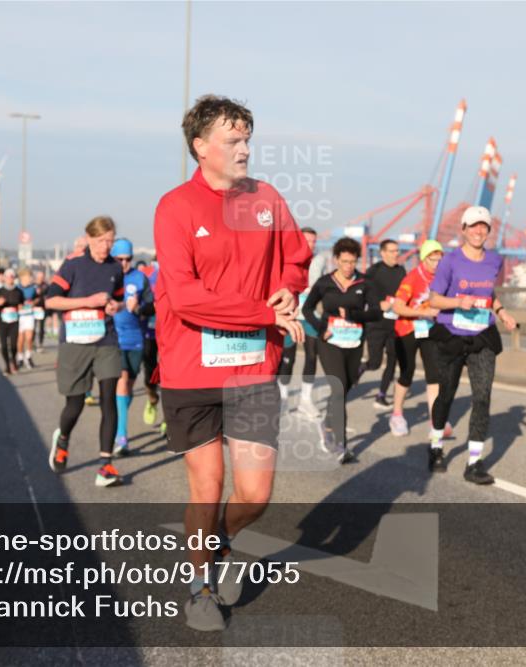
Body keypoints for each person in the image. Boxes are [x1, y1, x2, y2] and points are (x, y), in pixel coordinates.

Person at [154, 95, 309, 631]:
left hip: (252, 370)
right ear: (201, 148)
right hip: (191, 370)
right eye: (232, 140)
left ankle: (215, 543)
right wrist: (264, 314)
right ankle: (199, 586)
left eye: (247, 139)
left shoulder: (267, 198)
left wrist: (288, 289)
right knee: (207, 486)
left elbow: (296, 257)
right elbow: (185, 296)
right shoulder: (175, 207)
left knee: (256, 494)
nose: (244, 149)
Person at [427, 206, 518, 485]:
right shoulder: (450, 261)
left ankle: (474, 463)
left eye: (484, 227)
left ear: (488, 231)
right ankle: (435, 446)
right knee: (446, 394)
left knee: (482, 396)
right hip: (452, 335)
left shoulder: (494, 261)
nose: (479, 231)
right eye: (474, 226)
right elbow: (433, 300)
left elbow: (490, 294)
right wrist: (457, 302)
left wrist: (502, 313)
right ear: (464, 230)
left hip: (482, 336)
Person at [45, 216, 125, 487]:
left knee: (108, 399)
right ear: (89, 238)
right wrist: (88, 302)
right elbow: (51, 300)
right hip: (76, 343)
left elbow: (120, 300)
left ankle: (106, 465)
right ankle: (64, 438)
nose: (106, 246)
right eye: (102, 240)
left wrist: (115, 306)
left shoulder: (115, 267)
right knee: (75, 404)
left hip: (106, 341)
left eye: (110, 241)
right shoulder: (73, 265)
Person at [302, 236, 382, 464]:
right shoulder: (325, 283)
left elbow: (376, 312)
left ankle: (327, 424)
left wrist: (354, 315)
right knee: (338, 389)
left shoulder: (364, 284)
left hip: (354, 344)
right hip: (330, 342)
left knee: (345, 387)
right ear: (336, 259)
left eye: (352, 262)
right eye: (344, 261)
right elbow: (308, 309)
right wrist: (321, 329)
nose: (348, 267)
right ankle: (341, 445)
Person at [388, 240, 452, 438]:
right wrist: (420, 313)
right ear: (424, 259)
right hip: (407, 329)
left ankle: (436, 420)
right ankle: (397, 414)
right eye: (433, 259)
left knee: (434, 374)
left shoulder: (443, 278)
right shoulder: (412, 278)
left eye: (440, 259)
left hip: (429, 331)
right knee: (407, 373)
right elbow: (397, 306)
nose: (437, 263)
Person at [110, 238, 152, 456]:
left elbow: (151, 307)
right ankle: (121, 436)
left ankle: (117, 420)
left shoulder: (139, 278)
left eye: (128, 259)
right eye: (120, 259)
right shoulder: (106, 277)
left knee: (130, 385)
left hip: (136, 338)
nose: (124, 263)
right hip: (113, 338)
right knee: (122, 381)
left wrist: (139, 308)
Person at [276, 226, 323, 419]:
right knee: (289, 358)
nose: (310, 244)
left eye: (313, 241)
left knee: (312, 356)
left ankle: (305, 400)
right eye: (307, 240)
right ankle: (283, 398)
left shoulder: (320, 260)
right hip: (291, 314)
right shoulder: (287, 258)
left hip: (310, 315)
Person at [363, 239, 407, 411]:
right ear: (383, 253)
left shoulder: (402, 271)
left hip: (395, 323)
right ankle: (356, 372)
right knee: (374, 362)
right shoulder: (373, 271)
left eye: (397, 251)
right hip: (376, 324)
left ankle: (381, 395)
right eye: (392, 251)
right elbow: (362, 293)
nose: (396, 254)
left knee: (393, 361)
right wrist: (377, 304)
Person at [137, 257, 163, 429]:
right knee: (150, 373)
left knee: (171, 375)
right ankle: (152, 398)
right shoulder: (146, 274)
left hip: (172, 334)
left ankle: (169, 418)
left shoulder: (181, 271)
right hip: (149, 332)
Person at [0, 269, 25, 376]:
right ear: (4, 278)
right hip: (3, 321)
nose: (10, 279)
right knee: (4, 345)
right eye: (8, 277)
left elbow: (22, 304)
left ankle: (13, 360)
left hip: (14, 320)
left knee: (14, 344)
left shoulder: (18, 291)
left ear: (14, 278)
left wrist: (21, 307)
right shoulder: (0, 291)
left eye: (12, 277)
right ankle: (7, 366)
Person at [16, 269, 38, 369]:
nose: (30, 279)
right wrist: (19, 304)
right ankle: (20, 357)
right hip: (19, 316)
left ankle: (28, 357)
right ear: (22, 278)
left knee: (29, 338)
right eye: (28, 277)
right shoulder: (17, 288)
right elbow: (13, 300)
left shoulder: (33, 288)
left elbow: (37, 298)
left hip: (29, 314)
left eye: (30, 277)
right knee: (20, 339)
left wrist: (34, 302)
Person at [33, 270, 49, 351]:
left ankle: (40, 343)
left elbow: (48, 295)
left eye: (42, 277)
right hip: (33, 309)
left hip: (42, 309)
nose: (41, 279)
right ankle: (32, 342)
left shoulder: (46, 286)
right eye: (39, 277)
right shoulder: (33, 285)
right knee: (33, 327)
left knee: (42, 327)